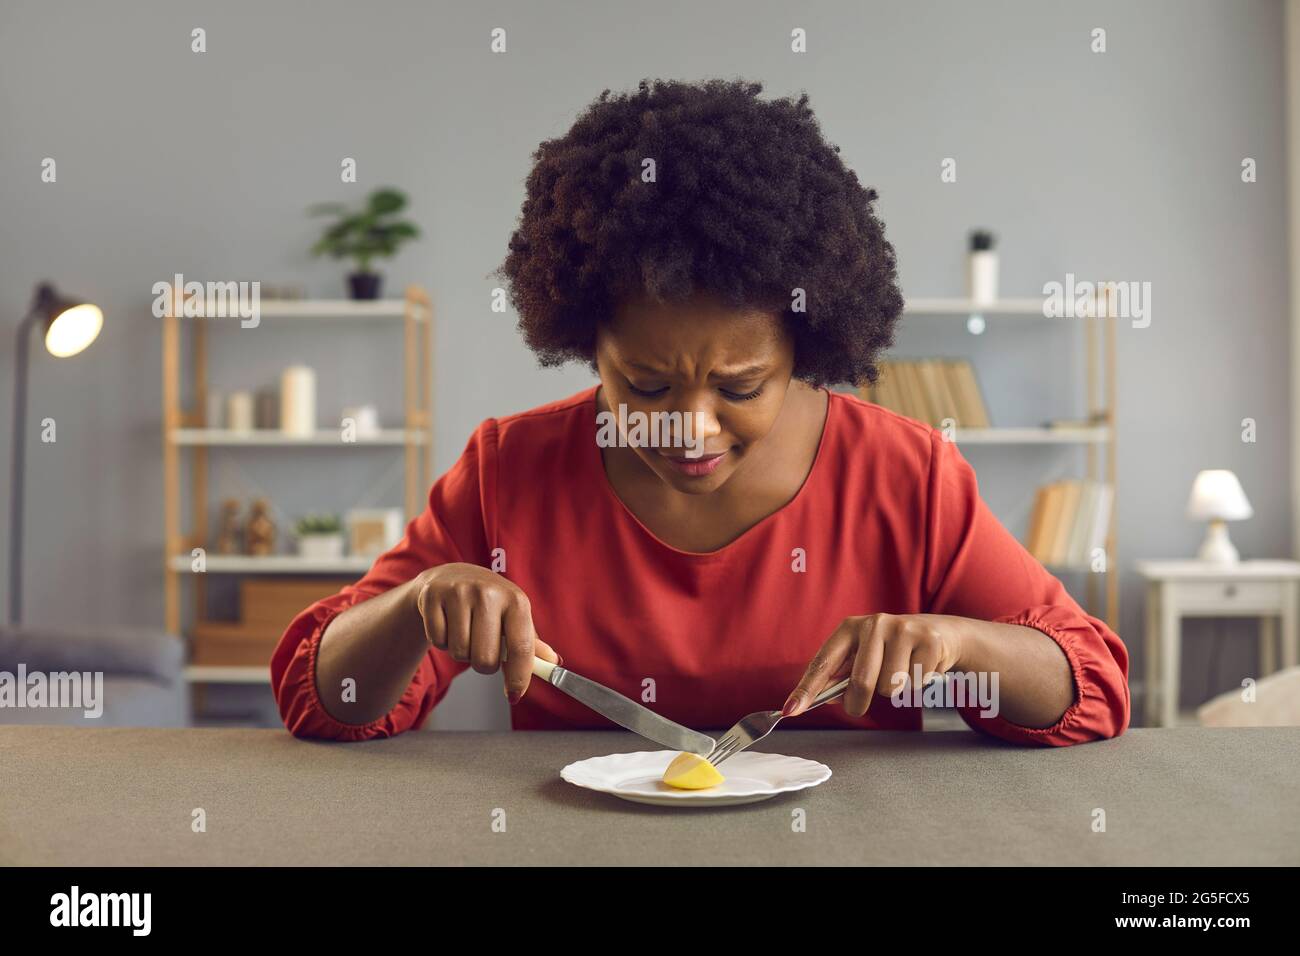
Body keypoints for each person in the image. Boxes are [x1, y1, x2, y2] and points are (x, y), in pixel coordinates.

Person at [271, 78, 1129, 746]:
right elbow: (325, 703)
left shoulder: (905, 478)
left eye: (740, 387)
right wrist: (415, 604)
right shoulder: (510, 471)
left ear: (806, 348)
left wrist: (959, 648)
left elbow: (1090, 689)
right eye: (645, 386)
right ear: (584, 342)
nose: (690, 427)